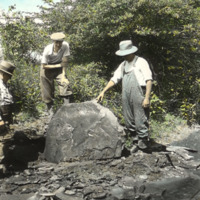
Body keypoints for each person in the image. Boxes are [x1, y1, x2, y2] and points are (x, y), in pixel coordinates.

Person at [96, 40, 153, 151]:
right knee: (128, 119)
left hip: (139, 93)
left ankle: (144, 143)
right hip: (126, 93)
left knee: (140, 118)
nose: (124, 56)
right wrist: (103, 91)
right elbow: (114, 79)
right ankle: (135, 141)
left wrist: (146, 98)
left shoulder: (141, 62)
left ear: (131, 52)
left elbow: (149, 80)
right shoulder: (123, 65)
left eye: (126, 54)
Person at [40, 32, 72, 115]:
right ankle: (50, 110)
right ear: (53, 41)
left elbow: (65, 62)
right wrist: (58, 65)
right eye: (56, 42)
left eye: (60, 42)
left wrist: (63, 76)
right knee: (46, 88)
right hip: (47, 67)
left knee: (65, 83)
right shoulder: (47, 49)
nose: (58, 44)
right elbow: (44, 66)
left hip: (59, 67)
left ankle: (67, 108)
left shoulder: (65, 46)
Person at [0, 60, 15, 171]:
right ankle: (1, 165)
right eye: (8, 75)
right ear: (3, 73)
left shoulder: (4, 85)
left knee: (6, 139)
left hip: (6, 115)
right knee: (3, 140)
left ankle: (5, 164)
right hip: (1, 115)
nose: (9, 78)